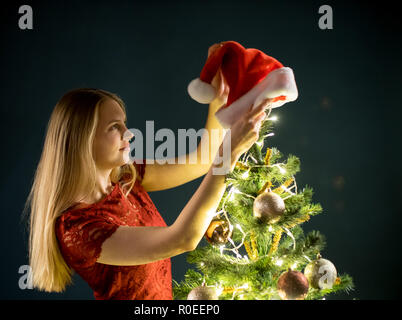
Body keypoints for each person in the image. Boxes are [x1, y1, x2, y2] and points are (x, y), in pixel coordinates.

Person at [24, 43, 270, 299]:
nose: (128, 133)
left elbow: (202, 159)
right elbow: (182, 239)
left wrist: (220, 95)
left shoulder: (127, 177)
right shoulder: (78, 229)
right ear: (81, 140)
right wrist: (228, 156)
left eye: (124, 124)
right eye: (114, 127)